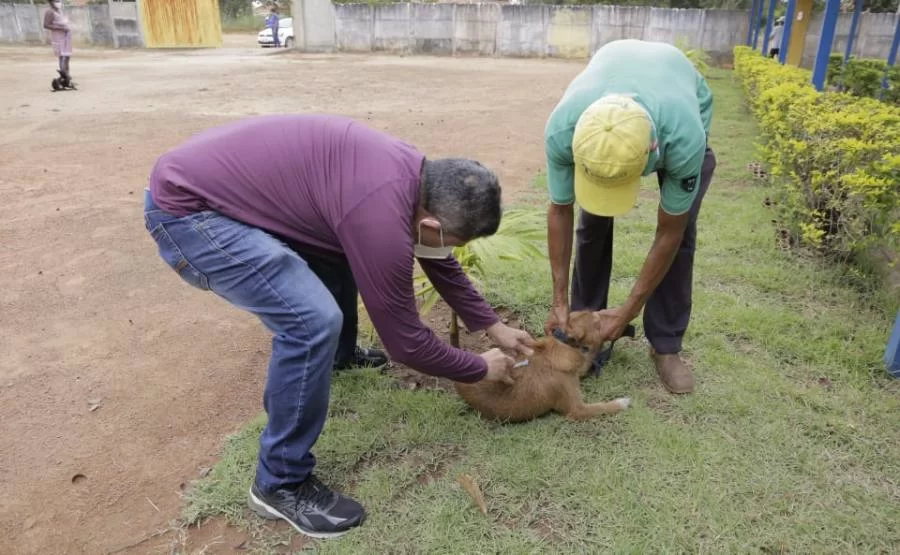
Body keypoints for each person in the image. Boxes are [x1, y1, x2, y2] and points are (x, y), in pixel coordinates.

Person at [143, 114, 535, 538]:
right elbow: (406, 343)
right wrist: (479, 367)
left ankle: (340, 357)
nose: (451, 250)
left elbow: (438, 259)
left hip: (214, 189)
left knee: (343, 249)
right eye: (455, 241)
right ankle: (279, 482)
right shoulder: (379, 217)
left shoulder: (411, 177)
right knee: (311, 323)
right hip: (190, 216)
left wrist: (493, 326)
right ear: (433, 224)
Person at [543, 39, 716, 395]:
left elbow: (669, 231)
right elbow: (560, 209)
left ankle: (665, 346)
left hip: (676, 100)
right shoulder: (564, 128)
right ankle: (586, 332)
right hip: (611, 78)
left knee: (681, 235)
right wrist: (559, 298)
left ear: (652, 150)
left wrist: (628, 310)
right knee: (591, 224)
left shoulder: (683, 137)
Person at [42, 0, 73, 83]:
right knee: (62, 56)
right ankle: (64, 76)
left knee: (66, 56)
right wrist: (62, 28)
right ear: (51, 2)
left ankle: (66, 76)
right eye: (56, 1)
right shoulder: (49, 12)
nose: (58, 3)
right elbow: (46, 25)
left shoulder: (59, 11)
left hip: (65, 36)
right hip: (58, 37)